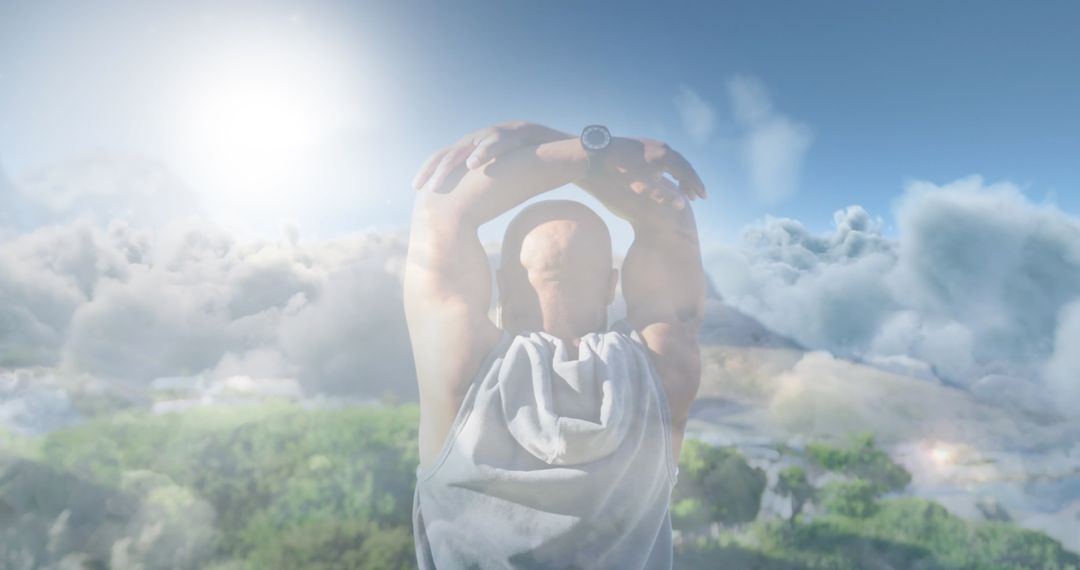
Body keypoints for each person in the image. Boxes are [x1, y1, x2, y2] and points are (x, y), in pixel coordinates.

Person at [404, 121, 707, 569]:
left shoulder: (459, 372)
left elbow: (440, 208)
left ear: (501, 286)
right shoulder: (665, 372)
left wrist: (558, 142)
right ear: (611, 287)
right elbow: (670, 216)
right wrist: (598, 149)